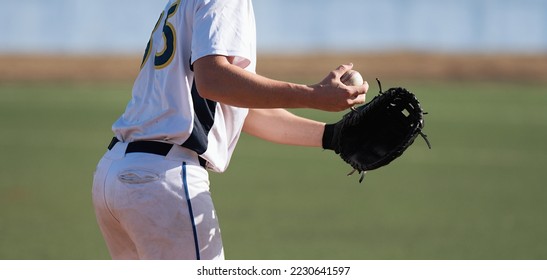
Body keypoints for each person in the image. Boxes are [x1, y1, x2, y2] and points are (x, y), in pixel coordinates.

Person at [92, 0, 369, 260]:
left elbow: (235, 104)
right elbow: (213, 80)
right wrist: (313, 95)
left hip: (118, 174)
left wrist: (332, 137)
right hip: (163, 181)